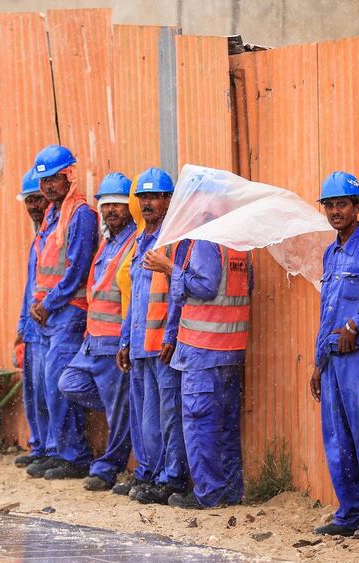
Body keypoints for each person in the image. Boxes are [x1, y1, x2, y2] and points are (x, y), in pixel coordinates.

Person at [144, 188, 252, 509]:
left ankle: (209, 493)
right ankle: (230, 490)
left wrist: (169, 268)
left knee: (200, 422)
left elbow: (204, 287)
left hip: (203, 351)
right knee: (225, 425)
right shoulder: (238, 246)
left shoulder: (204, 240)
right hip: (230, 350)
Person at [309, 171, 359, 537]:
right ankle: (349, 512)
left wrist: (355, 325)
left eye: (342, 204)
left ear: (357, 208)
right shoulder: (331, 252)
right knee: (336, 438)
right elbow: (328, 308)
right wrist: (317, 363)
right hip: (331, 361)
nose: (335, 211)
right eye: (330, 205)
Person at [57, 173, 137, 491]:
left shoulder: (133, 242)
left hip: (113, 342)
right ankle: (127, 411)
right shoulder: (107, 243)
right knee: (69, 383)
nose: (111, 211)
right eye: (106, 206)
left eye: (117, 205)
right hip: (92, 342)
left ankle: (108, 467)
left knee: (120, 410)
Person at [114, 167, 189, 503]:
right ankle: (150, 473)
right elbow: (135, 294)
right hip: (141, 344)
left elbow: (178, 292)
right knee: (147, 419)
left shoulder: (173, 240)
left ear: (168, 200)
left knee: (169, 415)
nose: (147, 203)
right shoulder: (141, 240)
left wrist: (171, 335)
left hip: (163, 345)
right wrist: (125, 341)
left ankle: (172, 478)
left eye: (153, 197)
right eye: (142, 197)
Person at [24, 145, 99, 481]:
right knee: (45, 385)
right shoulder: (53, 215)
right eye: (44, 182)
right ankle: (57, 450)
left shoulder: (80, 214)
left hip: (68, 311)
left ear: (69, 176)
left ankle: (74, 454)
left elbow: (77, 269)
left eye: (54, 180)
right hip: (49, 314)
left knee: (59, 382)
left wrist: (48, 303)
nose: (48, 187)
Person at [13, 168, 51, 468]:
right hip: (32, 327)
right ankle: (39, 446)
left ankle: (52, 449)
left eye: (38, 199)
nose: (34, 206)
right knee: (34, 391)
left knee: (48, 390)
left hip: (49, 324)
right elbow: (30, 287)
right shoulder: (39, 237)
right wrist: (20, 327)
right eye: (29, 200)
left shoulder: (53, 234)